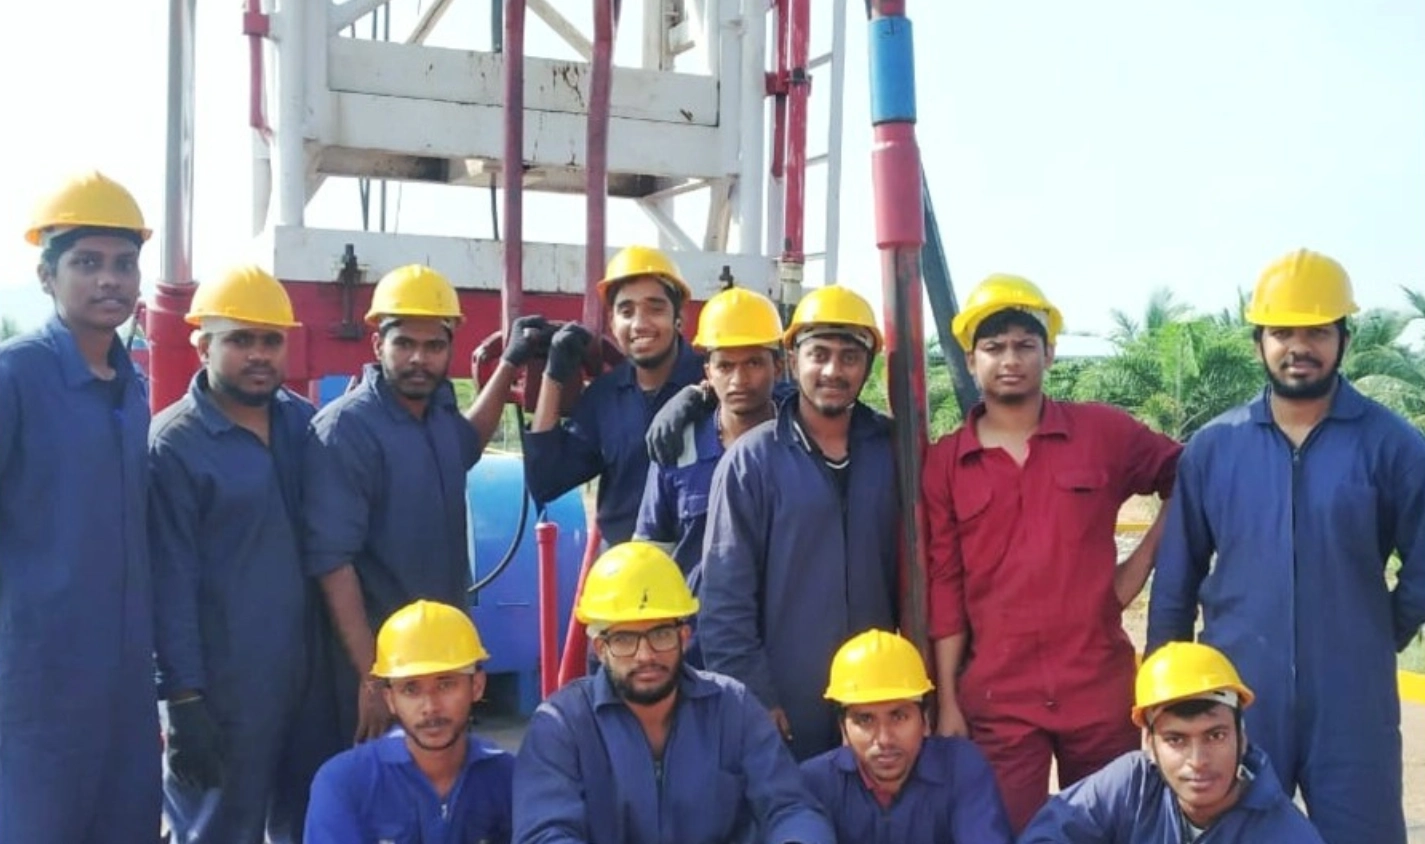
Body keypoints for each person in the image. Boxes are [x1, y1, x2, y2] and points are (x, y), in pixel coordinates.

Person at [1147, 248, 1425, 844]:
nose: (1299, 347)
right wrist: (1161, 688)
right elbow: (1176, 578)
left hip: (1353, 699)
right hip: (1237, 693)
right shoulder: (1215, 448)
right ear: (1259, 344)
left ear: (1343, 339)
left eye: (1317, 331)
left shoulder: (1393, 445)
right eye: (1282, 333)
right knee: (1233, 834)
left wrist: (1377, 633)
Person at [921, 274, 1182, 831]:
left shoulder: (1102, 433)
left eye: (1025, 345)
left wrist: (1135, 568)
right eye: (994, 347)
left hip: (1097, 684)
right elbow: (944, 585)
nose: (1009, 359)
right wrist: (948, 702)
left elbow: (1188, 474)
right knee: (1002, 833)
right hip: (999, 696)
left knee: (1113, 830)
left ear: (1050, 353)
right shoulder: (946, 463)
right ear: (970, 361)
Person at [0, 170, 161, 843]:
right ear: (47, 276)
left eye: (124, 264)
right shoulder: (16, 376)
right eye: (87, 263)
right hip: (37, 688)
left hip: (125, 688)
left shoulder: (132, 387)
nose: (109, 281)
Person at [304, 263, 515, 745]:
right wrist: (372, 678)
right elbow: (332, 564)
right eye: (404, 344)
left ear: (450, 349)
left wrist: (509, 365)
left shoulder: (437, 411)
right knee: (377, 781)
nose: (419, 358)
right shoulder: (347, 430)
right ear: (378, 344)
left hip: (442, 657)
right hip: (385, 669)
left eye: (433, 346)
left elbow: (465, 447)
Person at [512, 541, 834, 844]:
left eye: (661, 634)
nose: (645, 655)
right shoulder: (561, 725)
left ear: (683, 637)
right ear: (600, 648)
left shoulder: (733, 707)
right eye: (625, 639)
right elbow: (544, 832)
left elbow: (791, 807)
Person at [149, 265, 316, 842]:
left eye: (271, 339)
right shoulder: (174, 444)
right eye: (240, 339)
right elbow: (168, 584)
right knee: (217, 831)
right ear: (203, 346)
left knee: (306, 825)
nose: (259, 354)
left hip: (304, 682)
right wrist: (183, 700)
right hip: (221, 692)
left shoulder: (302, 423)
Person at [699, 284, 899, 761]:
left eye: (849, 357)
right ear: (792, 360)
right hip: (786, 706)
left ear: (868, 366)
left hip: (877, 699)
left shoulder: (894, 452)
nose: (833, 370)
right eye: (819, 354)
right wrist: (754, 696)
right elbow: (724, 600)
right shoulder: (751, 461)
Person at [1018, 642, 1325, 843]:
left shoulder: (1285, 834)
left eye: (1215, 735)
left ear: (1242, 737)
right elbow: (1047, 834)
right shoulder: (1132, 785)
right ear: (1149, 744)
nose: (1198, 760)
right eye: (1176, 739)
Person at [522, 245, 706, 546]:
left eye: (655, 308)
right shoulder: (603, 398)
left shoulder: (714, 379)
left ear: (678, 319)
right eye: (626, 311)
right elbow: (545, 480)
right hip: (624, 565)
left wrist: (701, 393)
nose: (640, 324)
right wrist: (553, 376)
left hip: (699, 564)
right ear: (612, 323)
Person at [305, 600, 513, 843]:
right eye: (411, 689)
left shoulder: (509, 777)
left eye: (446, 685)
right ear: (390, 699)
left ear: (476, 686)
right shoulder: (345, 782)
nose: (430, 706)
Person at [633, 286, 784, 603]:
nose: (739, 380)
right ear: (708, 373)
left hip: (781, 627)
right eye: (725, 366)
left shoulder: (800, 444)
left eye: (754, 363)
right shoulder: (677, 447)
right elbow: (651, 554)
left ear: (779, 367)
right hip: (696, 627)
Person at [800, 629, 1013, 844]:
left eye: (899, 717)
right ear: (843, 728)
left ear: (925, 720)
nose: (884, 739)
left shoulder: (961, 767)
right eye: (865, 720)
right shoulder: (815, 782)